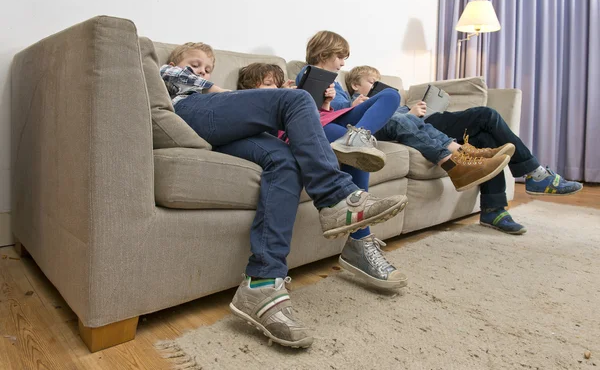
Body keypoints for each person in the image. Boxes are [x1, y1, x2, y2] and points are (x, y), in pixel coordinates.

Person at [159, 42, 408, 348]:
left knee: (285, 162)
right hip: (191, 114)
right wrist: (243, 96)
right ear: (177, 62)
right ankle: (334, 197)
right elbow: (191, 82)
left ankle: (262, 283)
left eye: (208, 68)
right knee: (297, 99)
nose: (202, 71)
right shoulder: (170, 75)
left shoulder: (220, 98)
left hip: (221, 132)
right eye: (194, 64)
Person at [345, 65, 583, 235]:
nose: (379, 87)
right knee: (486, 115)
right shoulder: (357, 103)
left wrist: (414, 107)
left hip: (424, 120)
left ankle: (494, 209)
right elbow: (386, 122)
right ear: (356, 84)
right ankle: (534, 175)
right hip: (415, 123)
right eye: (373, 83)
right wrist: (407, 113)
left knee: (484, 135)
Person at [238, 61, 409, 291]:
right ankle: (360, 243)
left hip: (328, 116)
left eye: (278, 85)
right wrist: (281, 99)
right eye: (269, 84)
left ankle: (358, 137)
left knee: (390, 95)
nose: (276, 88)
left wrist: (325, 103)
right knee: (353, 150)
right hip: (304, 127)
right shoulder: (247, 107)